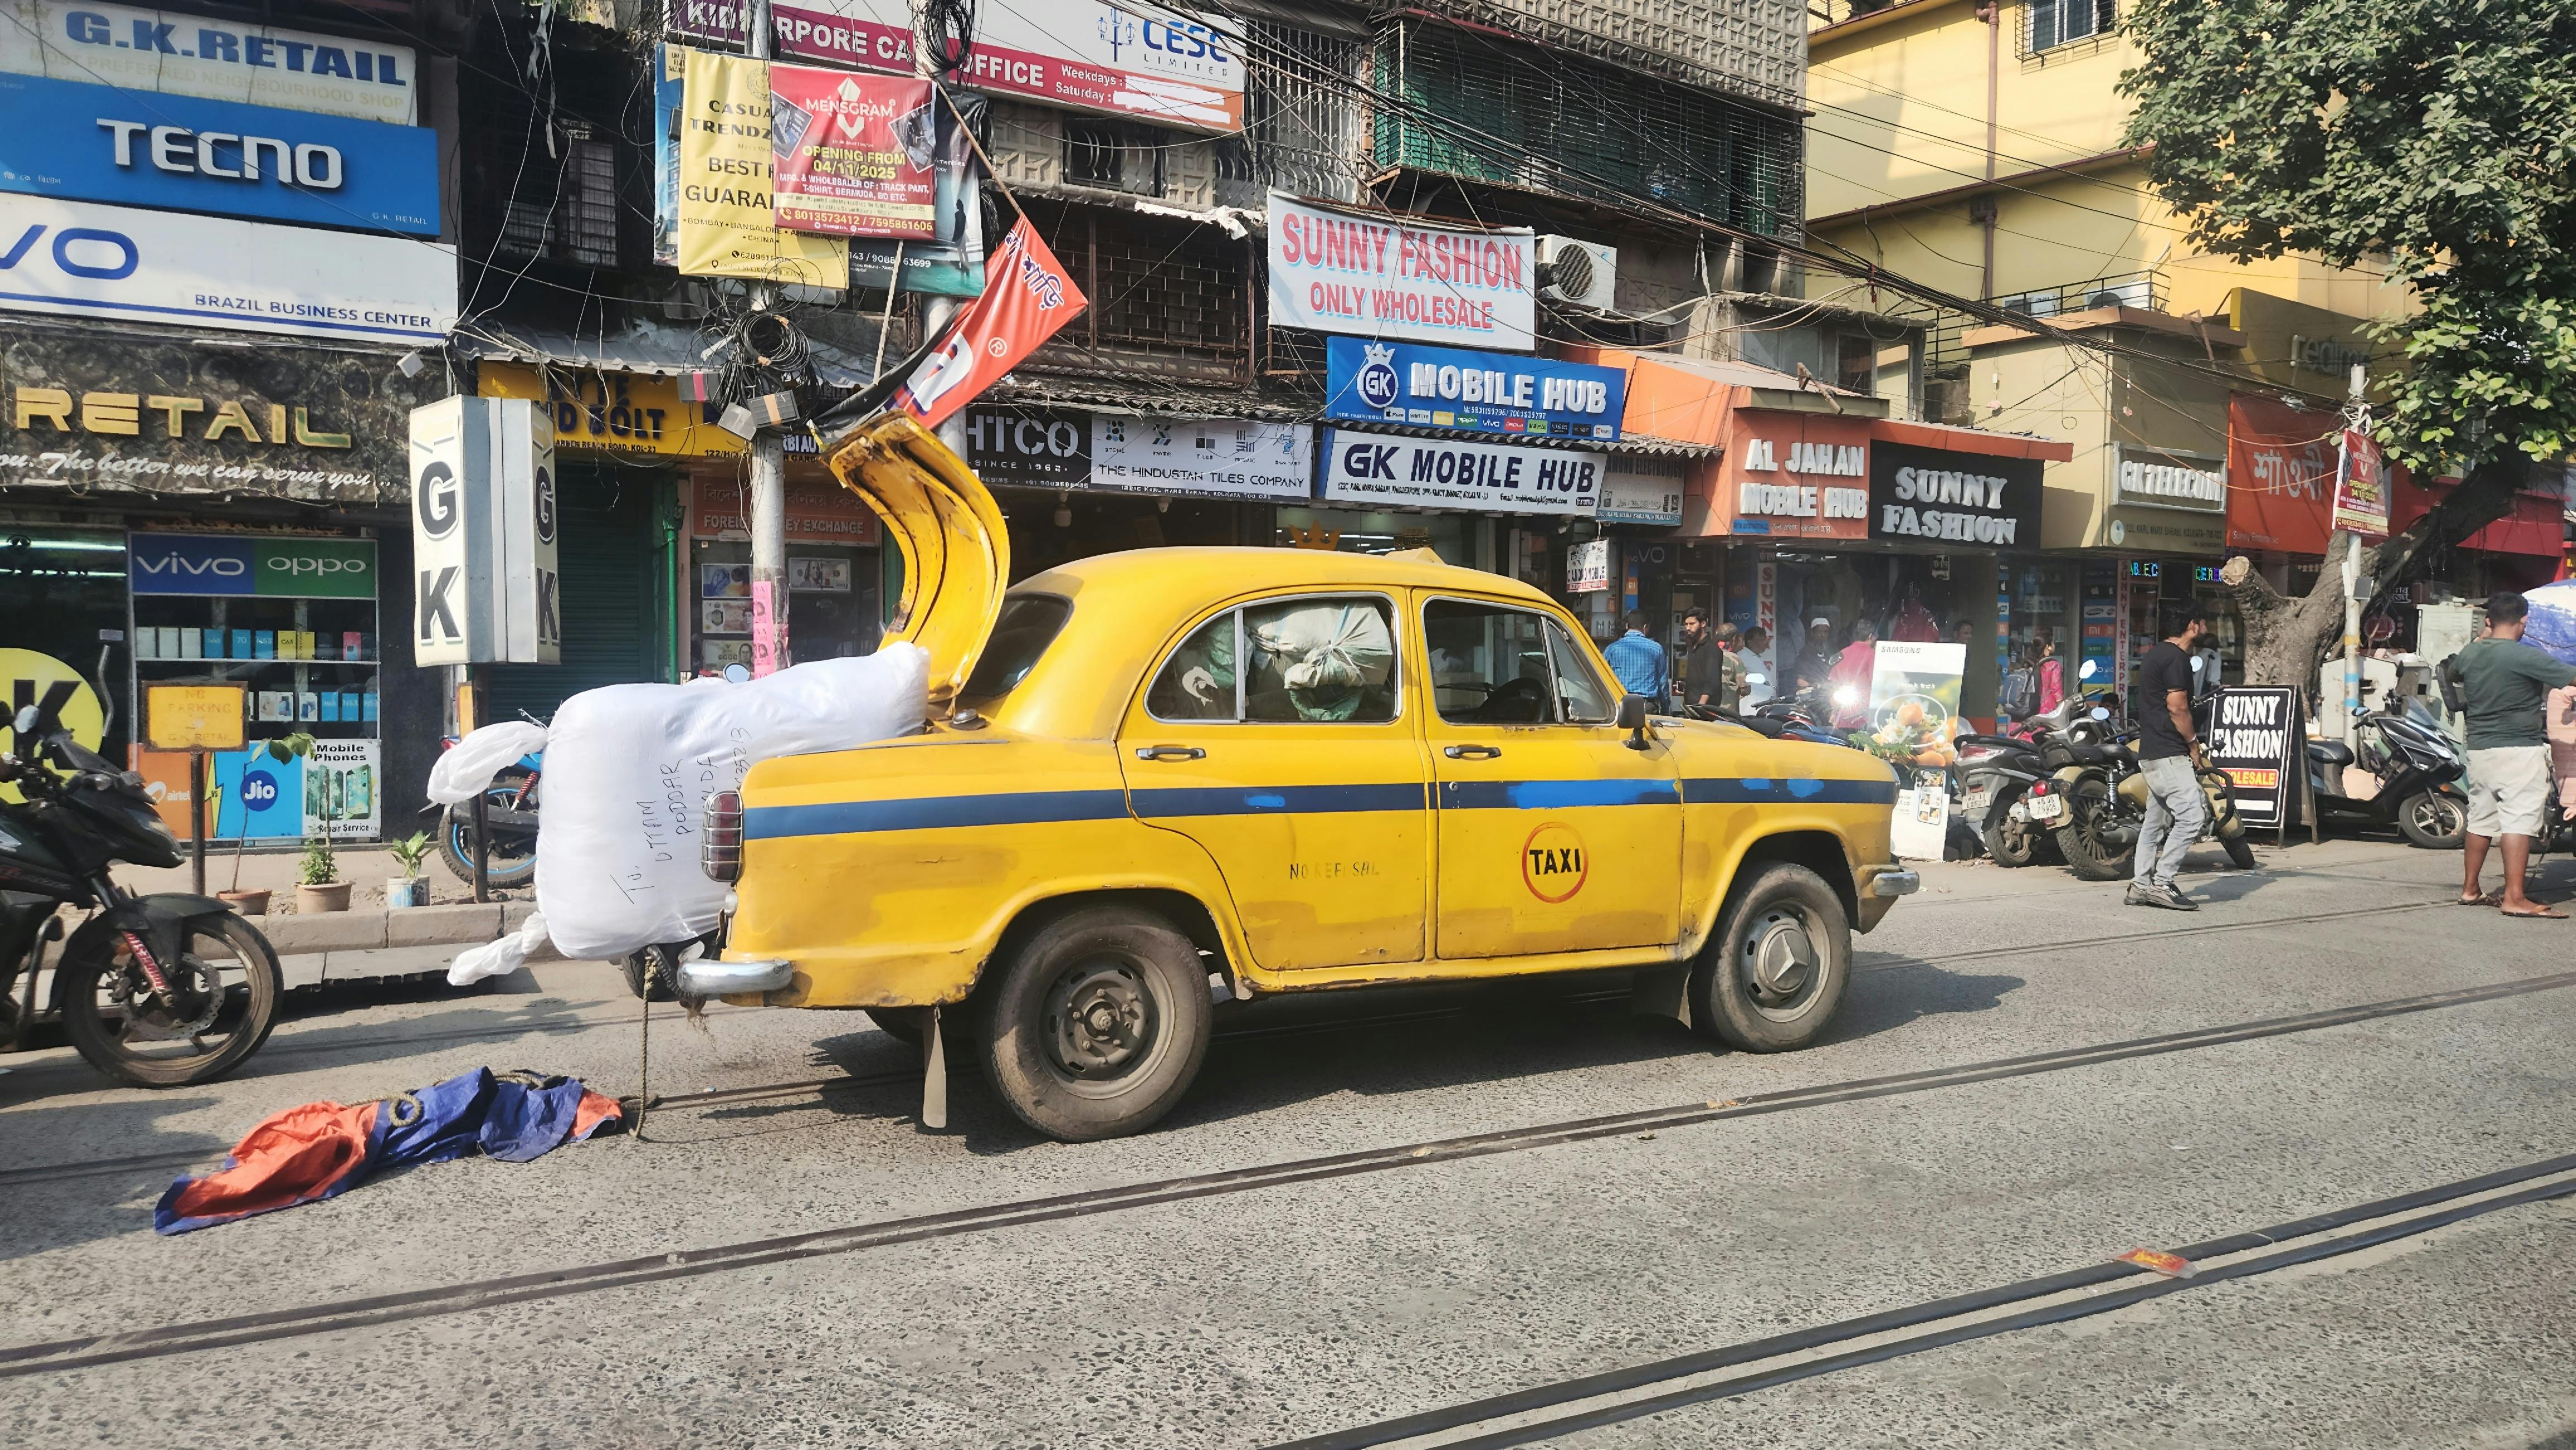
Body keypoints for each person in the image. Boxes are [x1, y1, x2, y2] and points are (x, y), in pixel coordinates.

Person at [2452, 590, 2576, 917]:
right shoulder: (2525, 657)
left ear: (2489, 621)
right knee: (2519, 822)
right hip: (2519, 750)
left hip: (2480, 751)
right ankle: (2515, 898)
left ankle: (2470, 890)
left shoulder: (2471, 653)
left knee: (2480, 820)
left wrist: (2483, 637)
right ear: (2524, 621)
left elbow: (2453, 672)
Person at [2127, 606, 2212, 911]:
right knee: (2192, 817)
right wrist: (2193, 745)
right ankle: (2162, 884)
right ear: (2192, 625)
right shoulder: (2177, 658)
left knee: (2155, 822)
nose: (2206, 627)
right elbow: (2177, 707)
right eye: (2203, 621)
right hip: (2169, 752)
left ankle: (2140, 885)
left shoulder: (2154, 655)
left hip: (2151, 751)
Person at [1601, 609, 1668, 705]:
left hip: (1620, 704)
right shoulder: (1656, 649)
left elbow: (1602, 676)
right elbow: (1663, 683)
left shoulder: (1612, 649)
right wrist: (1666, 708)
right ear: (1645, 627)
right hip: (1646, 705)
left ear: (1627, 626)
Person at [1826, 619, 1877, 729]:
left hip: (1841, 713)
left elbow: (1832, 684)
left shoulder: (1842, 653)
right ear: (1870, 636)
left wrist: (1833, 711)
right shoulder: (1872, 655)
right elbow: (1875, 683)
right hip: (1863, 715)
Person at [1675, 608, 1721, 714]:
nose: (1688, 628)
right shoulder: (1692, 647)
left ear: (1703, 624)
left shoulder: (1712, 648)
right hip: (1690, 707)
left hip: (1705, 710)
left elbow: (1712, 682)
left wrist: (1700, 707)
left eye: (1692, 624)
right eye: (1686, 624)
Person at [1787, 617, 1838, 702]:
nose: (1822, 635)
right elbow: (1800, 680)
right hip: (1812, 696)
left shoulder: (1832, 651)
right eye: (1819, 632)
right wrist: (1813, 686)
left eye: (1825, 632)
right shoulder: (1806, 652)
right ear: (1812, 633)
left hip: (1830, 694)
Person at [1740, 626, 1776, 710]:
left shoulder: (1757, 657)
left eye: (1765, 639)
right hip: (1751, 707)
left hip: (1763, 705)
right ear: (1750, 642)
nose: (1765, 643)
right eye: (1761, 640)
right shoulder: (1742, 657)